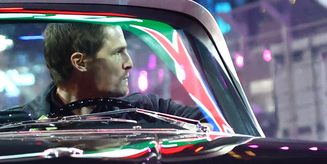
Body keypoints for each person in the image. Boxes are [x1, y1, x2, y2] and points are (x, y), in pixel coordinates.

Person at [15, 21, 205, 120]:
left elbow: (218, 123)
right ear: (79, 62)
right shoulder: (18, 125)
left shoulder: (146, 110)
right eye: (118, 52)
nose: (129, 63)